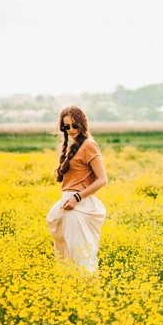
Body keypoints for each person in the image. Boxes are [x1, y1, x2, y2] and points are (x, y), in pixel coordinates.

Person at [46, 106, 108, 273]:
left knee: (82, 259)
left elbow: (102, 179)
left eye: (75, 125)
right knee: (67, 259)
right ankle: (72, 296)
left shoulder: (89, 145)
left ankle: (90, 296)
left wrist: (77, 198)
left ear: (83, 124)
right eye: (67, 127)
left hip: (78, 206)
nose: (71, 130)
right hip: (69, 204)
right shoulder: (72, 146)